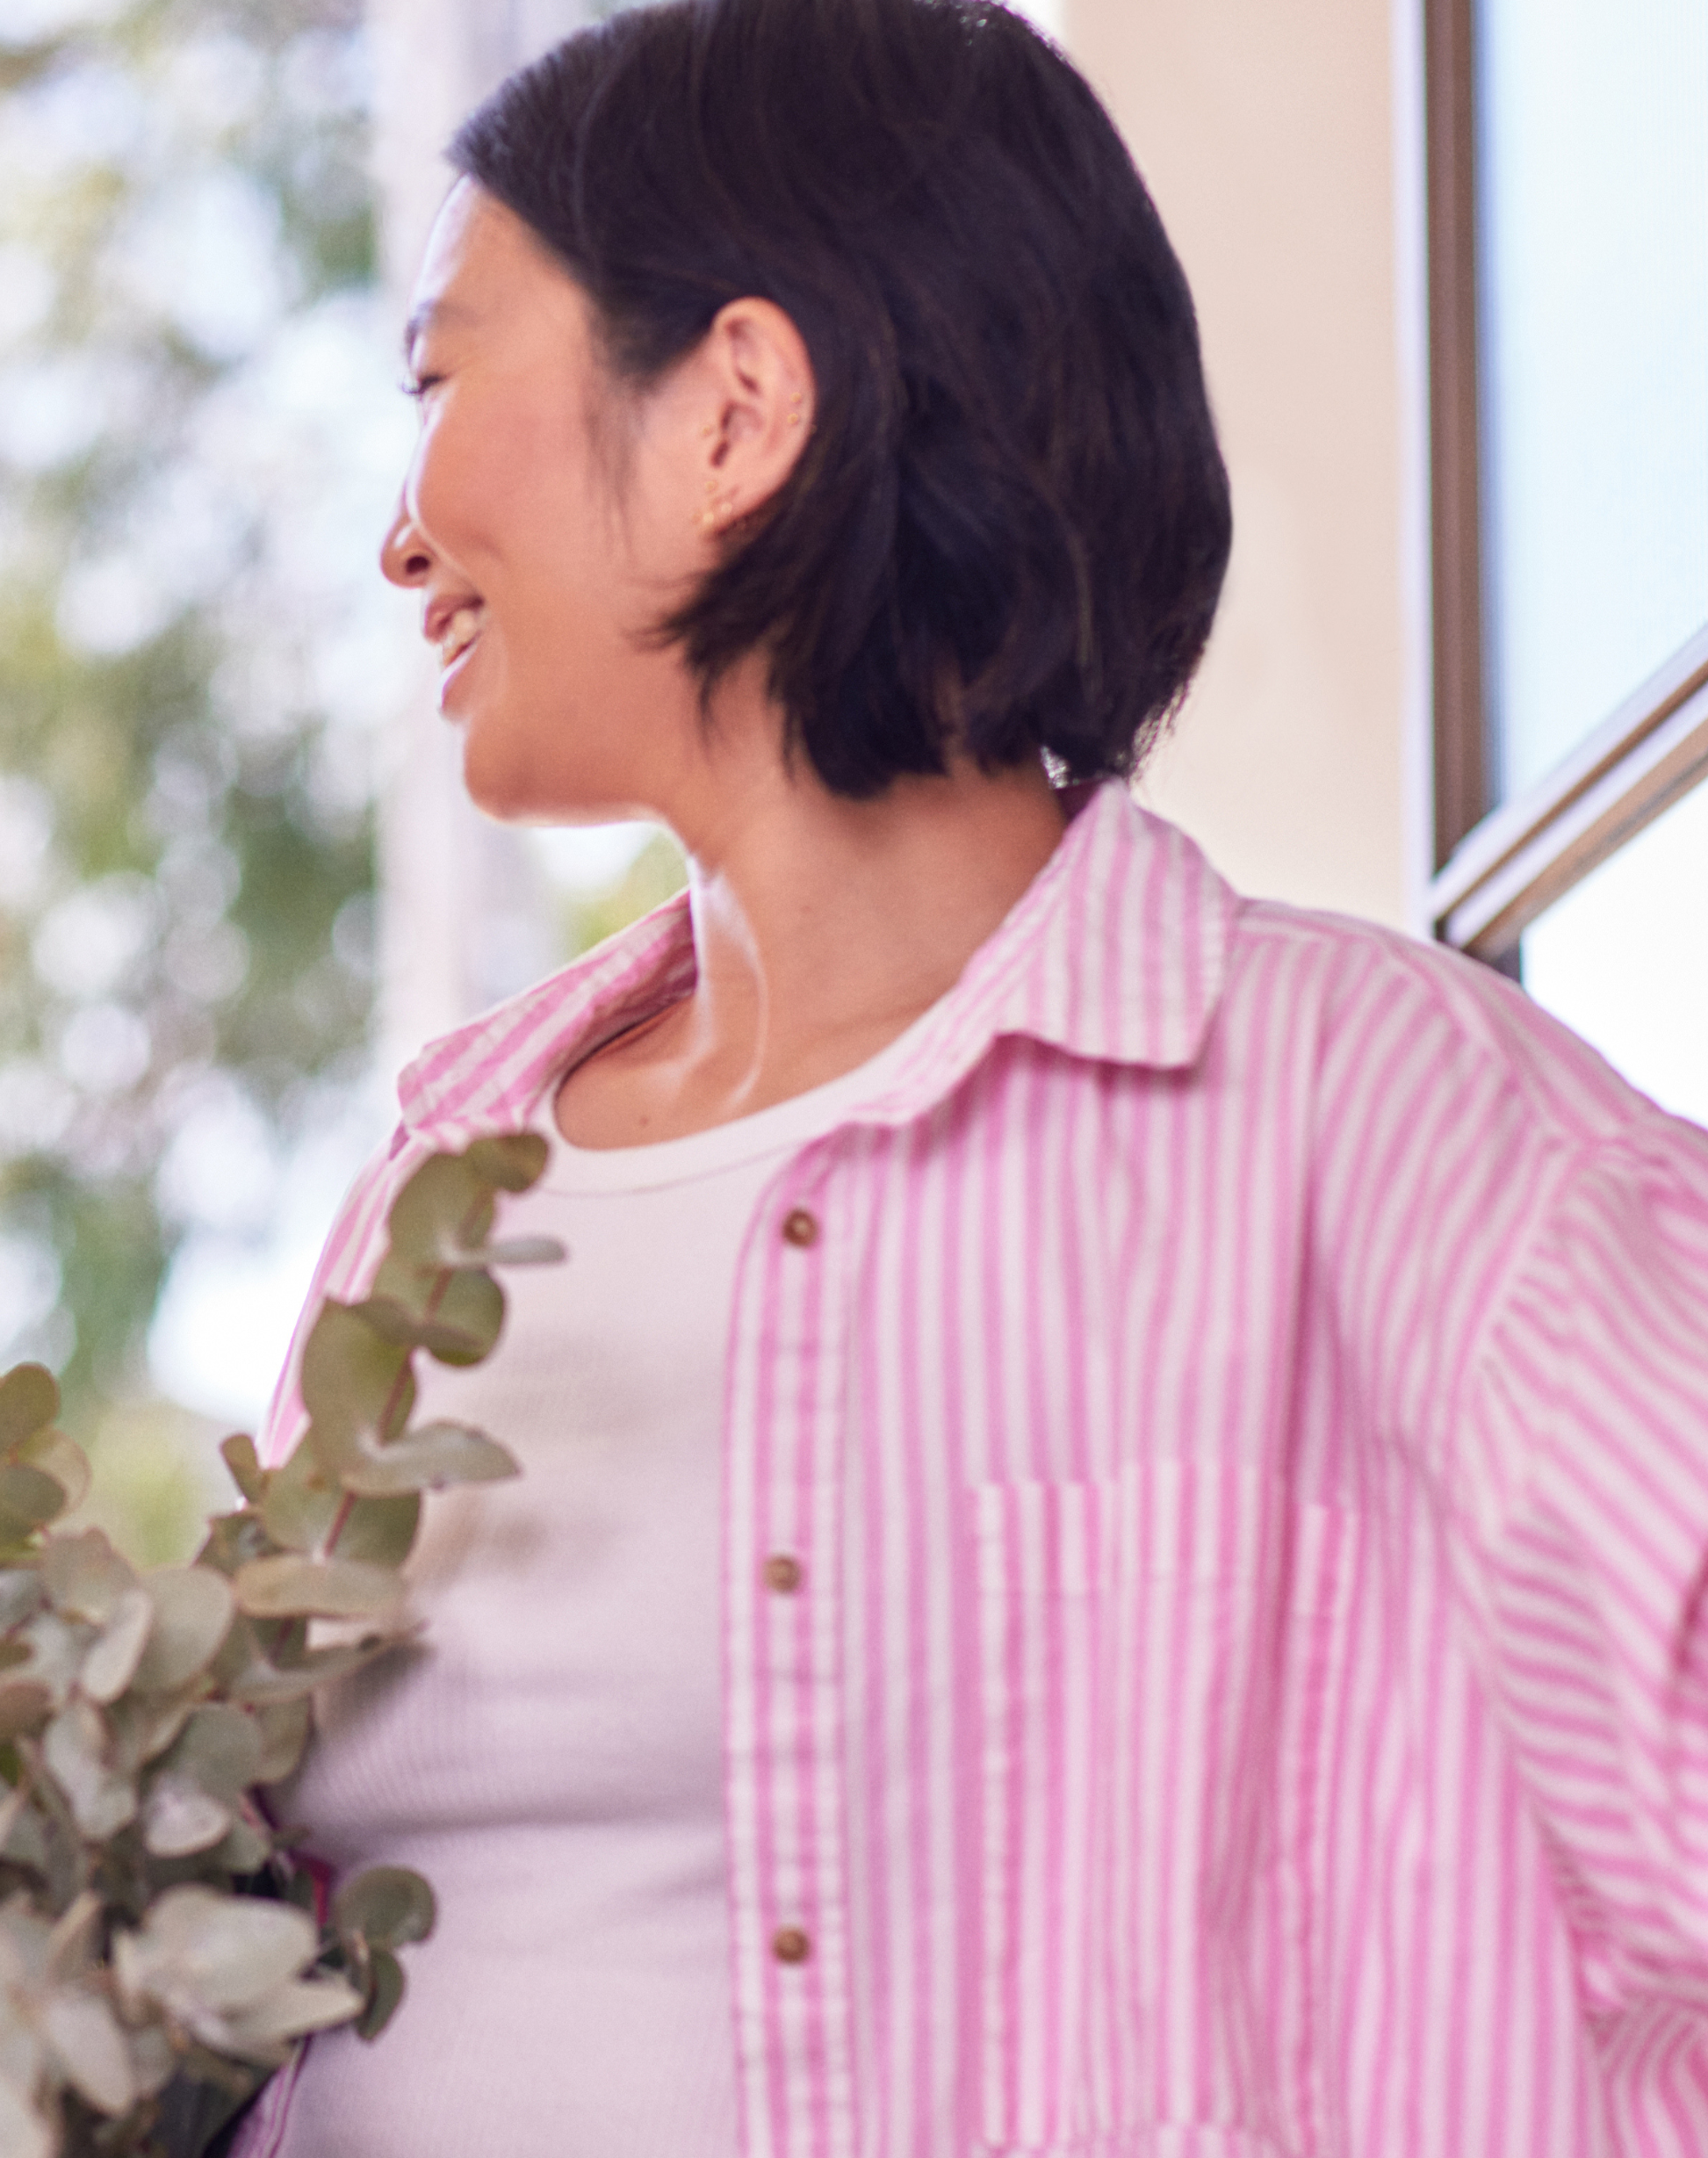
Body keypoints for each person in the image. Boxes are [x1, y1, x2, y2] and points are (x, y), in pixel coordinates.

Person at [251, 3, 1708, 2152]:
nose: (401, 528)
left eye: (443, 377)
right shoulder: (441, 1185)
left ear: (733, 406)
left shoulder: (1398, 1127)